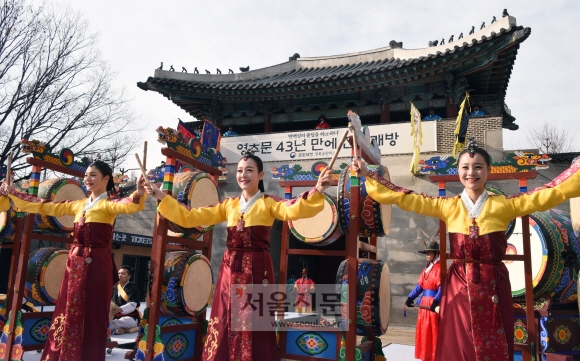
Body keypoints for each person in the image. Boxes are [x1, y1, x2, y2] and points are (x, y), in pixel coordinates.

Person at [352, 140, 580, 361]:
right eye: (465, 167)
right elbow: (405, 197)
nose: (472, 172)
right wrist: (368, 175)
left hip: (494, 285)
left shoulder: (505, 204)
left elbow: (547, 193)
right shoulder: (448, 206)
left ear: (488, 171)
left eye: (478, 167)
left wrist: (576, 170)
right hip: (460, 286)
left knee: (496, 342)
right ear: (458, 171)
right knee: (458, 344)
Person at [144, 150, 333, 361]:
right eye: (240, 170)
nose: (244, 175)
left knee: (256, 322)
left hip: (257, 269)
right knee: (224, 318)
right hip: (229, 269)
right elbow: (191, 217)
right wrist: (161, 196)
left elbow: (294, 209)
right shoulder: (228, 205)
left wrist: (318, 189)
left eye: (250, 170)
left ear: (261, 175)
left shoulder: (269, 203)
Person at [1, 160, 147, 361]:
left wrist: (138, 192)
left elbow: (130, 204)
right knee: (66, 309)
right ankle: (61, 355)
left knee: (93, 313)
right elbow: (45, 206)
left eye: (93, 175)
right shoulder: (78, 205)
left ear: (106, 179)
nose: (87, 178)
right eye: (86, 175)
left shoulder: (109, 204)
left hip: (97, 265)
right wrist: (14, 192)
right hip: (75, 264)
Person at [405, 241, 441, 361]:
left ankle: (435, 356)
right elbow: (420, 287)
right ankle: (426, 356)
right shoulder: (427, 268)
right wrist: (410, 298)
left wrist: (436, 302)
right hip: (424, 304)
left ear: (436, 254)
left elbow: (442, 288)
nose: (426, 255)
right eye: (426, 253)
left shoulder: (439, 268)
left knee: (433, 331)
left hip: (432, 305)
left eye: (429, 253)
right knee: (424, 330)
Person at [110, 265, 141, 335]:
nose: (120, 275)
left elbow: (132, 304)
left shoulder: (132, 289)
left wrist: (120, 309)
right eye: (119, 273)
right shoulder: (115, 289)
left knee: (122, 321)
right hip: (115, 317)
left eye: (123, 274)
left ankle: (115, 330)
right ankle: (121, 330)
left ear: (129, 277)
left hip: (131, 318)